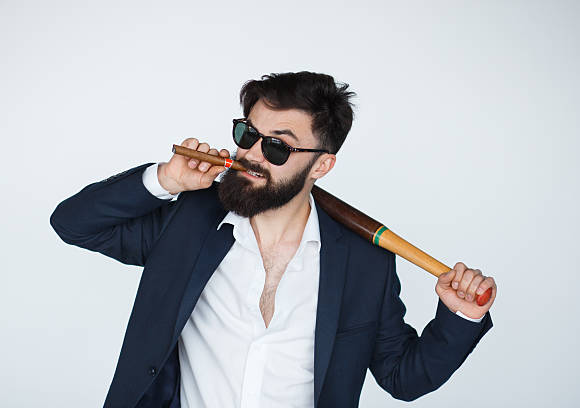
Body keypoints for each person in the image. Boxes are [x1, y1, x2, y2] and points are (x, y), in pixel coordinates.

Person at [50, 71, 496, 408]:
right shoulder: (187, 224)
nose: (251, 154)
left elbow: (403, 378)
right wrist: (165, 179)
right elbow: (74, 223)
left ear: (320, 167)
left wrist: (461, 317)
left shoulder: (364, 263)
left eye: (277, 147)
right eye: (248, 134)